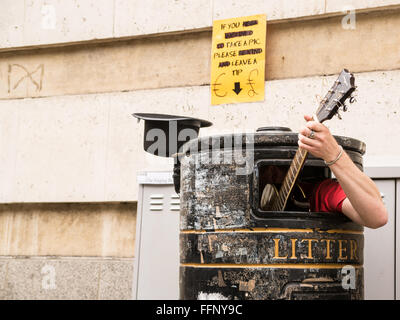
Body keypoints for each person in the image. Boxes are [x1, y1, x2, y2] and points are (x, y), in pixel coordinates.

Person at [296, 115, 388, 229]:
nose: (272, 172)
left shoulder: (321, 192)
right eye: (268, 169)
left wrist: (333, 153)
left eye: (277, 168)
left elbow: (377, 217)